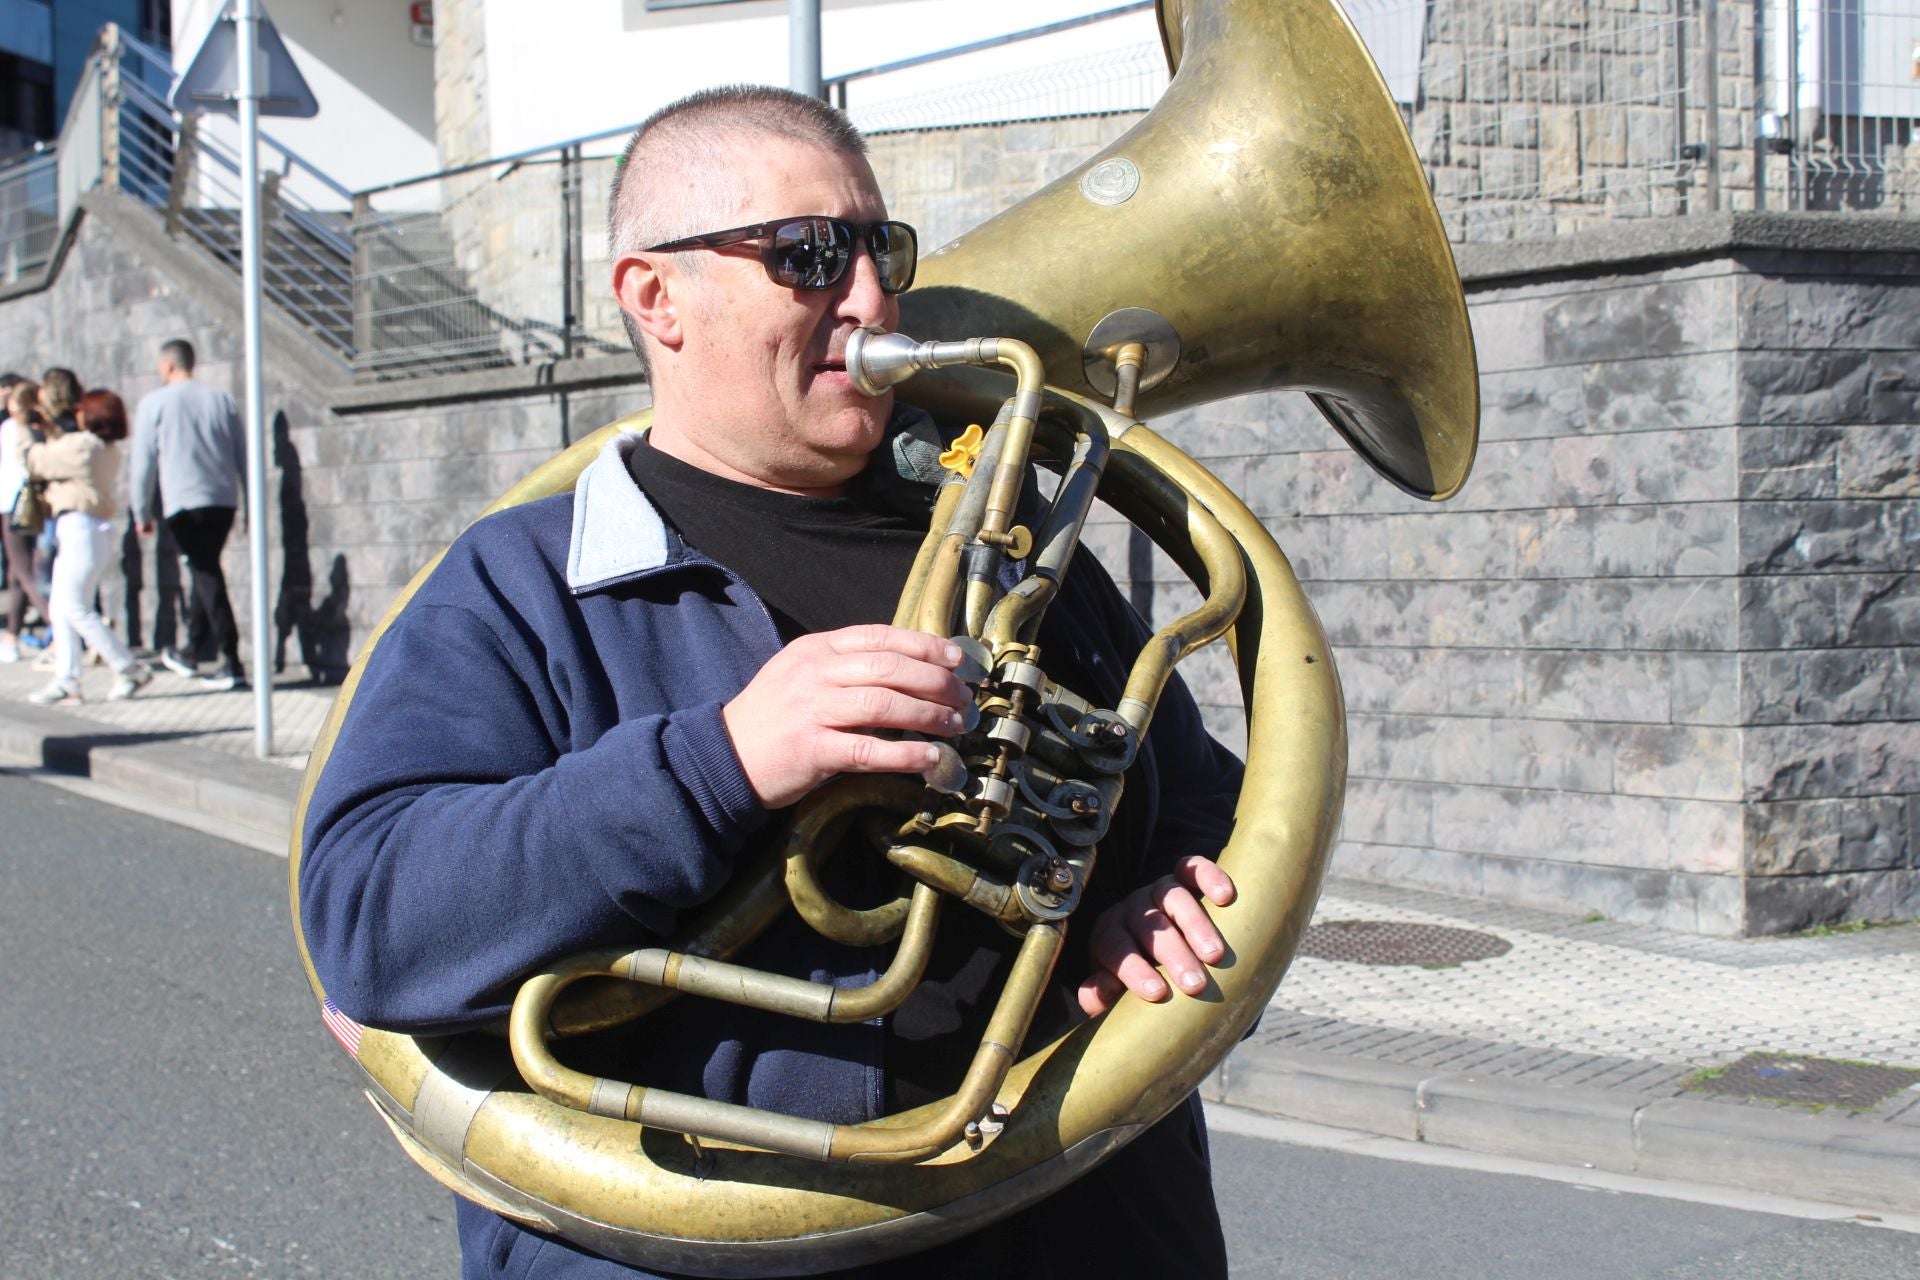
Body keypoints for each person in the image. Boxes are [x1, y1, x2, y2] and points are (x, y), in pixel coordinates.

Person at [300, 86, 1243, 1280]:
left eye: (880, 248)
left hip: (1090, 1231)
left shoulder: (1014, 549)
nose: (870, 298)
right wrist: (725, 759)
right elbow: (371, 913)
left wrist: (1160, 905)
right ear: (658, 297)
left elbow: (1205, 800)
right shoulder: (525, 583)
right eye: (808, 255)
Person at [127, 338, 248, 691]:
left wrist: (141, 509)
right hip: (223, 502)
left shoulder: (155, 402)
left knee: (206, 573)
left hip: (184, 504)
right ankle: (191, 651)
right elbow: (243, 453)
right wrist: (250, 504)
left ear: (167, 365)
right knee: (204, 569)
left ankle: (232, 661)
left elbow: (143, 463)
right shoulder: (221, 400)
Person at [23, 389, 152, 704]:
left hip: (82, 530)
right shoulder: (103, 448)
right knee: (62, 605)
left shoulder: (85, 447)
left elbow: (37, 461)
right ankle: (68, 678)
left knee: (75, 606)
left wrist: (34, 430)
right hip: (84, 531)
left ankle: (126, 666)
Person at [1, 379, 55, 664]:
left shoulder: (11, 429)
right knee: (17, 572)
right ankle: (11, 638)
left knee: (23, 571)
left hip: (13, 505)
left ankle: (59, 627)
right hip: (35, 505)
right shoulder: (40, 429)